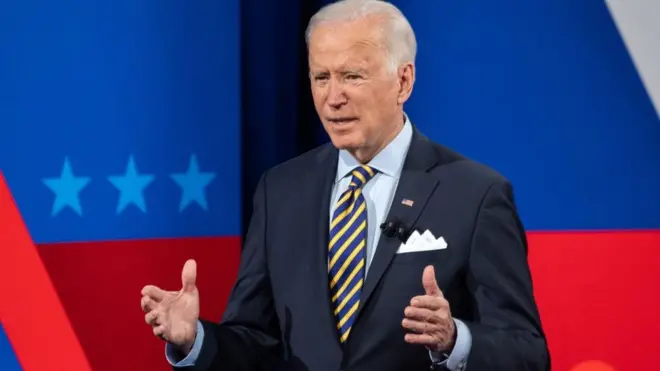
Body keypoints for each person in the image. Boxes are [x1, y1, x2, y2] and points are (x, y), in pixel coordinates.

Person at [140, 1, 550, 370]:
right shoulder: (280, 190)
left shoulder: (475, 195)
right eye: (321, 77)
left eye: (352, 76)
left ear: (403, 82)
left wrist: (456, 340)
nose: (333, 97)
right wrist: (196, 340)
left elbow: (527, 352)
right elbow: (255, 341)